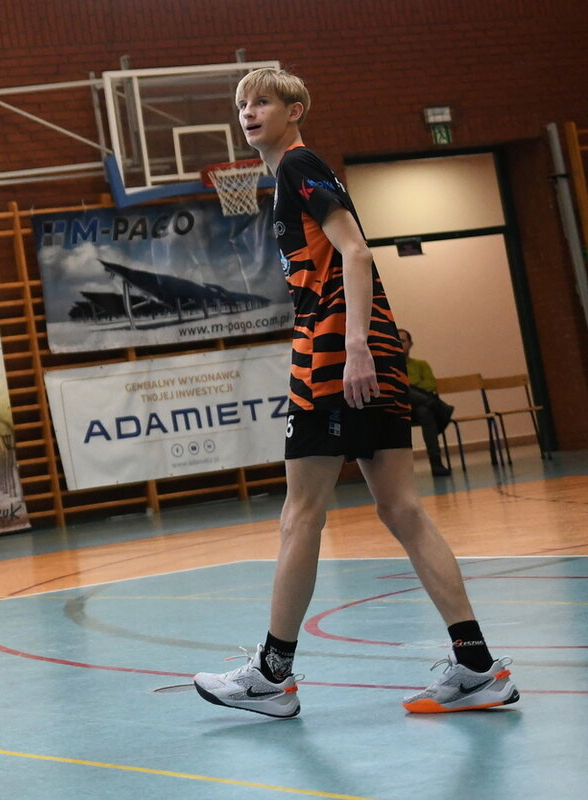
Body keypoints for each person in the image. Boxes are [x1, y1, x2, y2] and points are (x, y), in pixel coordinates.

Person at [191, 68, 518, 717]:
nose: (249, 112)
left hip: (337, 351)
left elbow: (358, 253)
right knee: (401, 510)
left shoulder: (299, 165)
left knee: (300, 514)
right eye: (242, 103)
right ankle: (477, 666)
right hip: (362, 347)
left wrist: (358, 345)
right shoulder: (289, 177)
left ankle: (272, 675)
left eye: (262, 101)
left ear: (294, 110)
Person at [398, 328, 455, 477]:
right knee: (403, 389)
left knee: (424, 411)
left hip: (418, 409)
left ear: (411, 344)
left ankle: (436, 463)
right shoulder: (389, 367)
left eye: (403, 341)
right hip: (399, 409)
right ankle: (438, 406)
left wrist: (413, 389)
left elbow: (430, 385)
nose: (399, 344)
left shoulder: (421, 365)